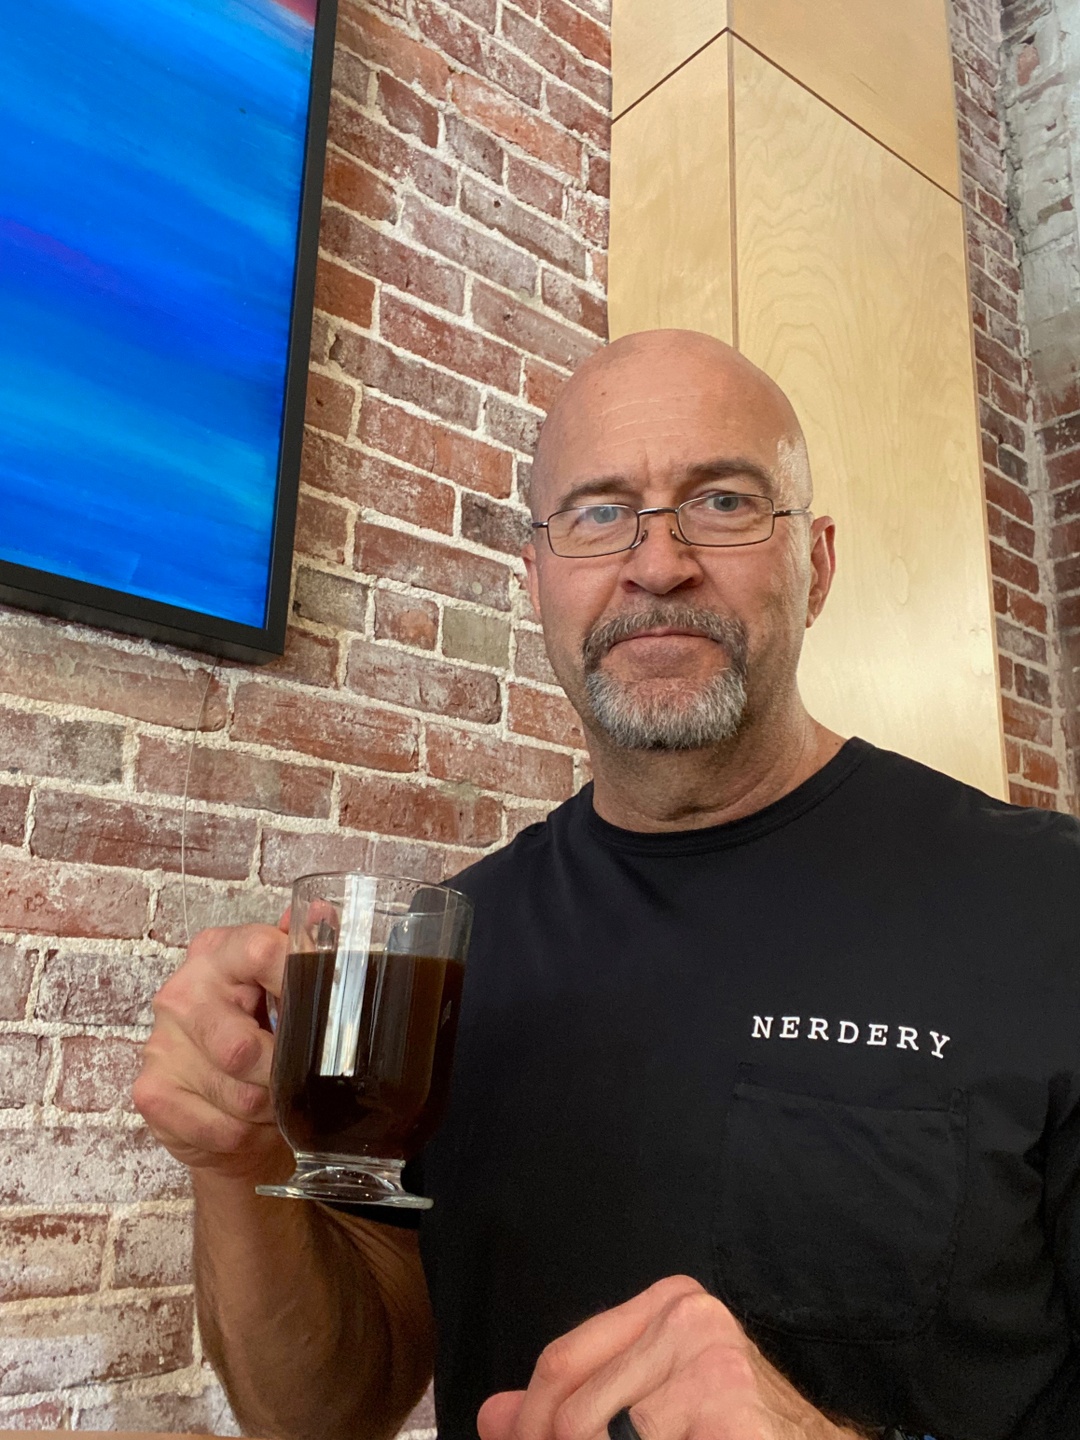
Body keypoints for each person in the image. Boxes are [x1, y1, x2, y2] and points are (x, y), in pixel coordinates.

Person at [135, 330, 1080, 1440]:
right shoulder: (453, 952)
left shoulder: (1045, 901)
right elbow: (325, 1413)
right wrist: (238, 1158)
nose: (659, 562)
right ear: (536, 580)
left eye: (722, 502)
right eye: (597, 512)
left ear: (816, 566)